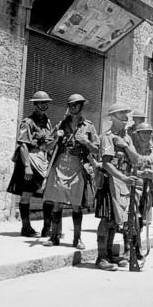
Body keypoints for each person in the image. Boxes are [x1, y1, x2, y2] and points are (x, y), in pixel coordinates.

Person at [43, 94, 99, 249]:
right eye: (71, 105)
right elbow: (46, 147)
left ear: (81, 106)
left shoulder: (89, 126)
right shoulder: (61, 124)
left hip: (77, 165)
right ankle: (54, 236)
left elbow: (97, 149)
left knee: (76, 205)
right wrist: (56, 138)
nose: (73, 108)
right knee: (57, 203)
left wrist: (86, 141)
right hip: (60, 163)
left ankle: (77, 239)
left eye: (76, 105)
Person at [94, 103, 141, 271]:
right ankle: (101, 257)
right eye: (121, 114)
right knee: (106, 219)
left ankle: (108, 253)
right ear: (112, 117)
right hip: (109, 182)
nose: (125, 117)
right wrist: (124, 177)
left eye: (126, 114)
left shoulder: (126, 137)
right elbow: (106, 164)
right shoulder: (107, 136)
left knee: (115, 220)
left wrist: (125, 146)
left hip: (123, 183)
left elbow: (136, 160)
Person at [7, 91, 56, 238]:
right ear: (35, 104)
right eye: (41, 102)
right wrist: (27, 166)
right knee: (26, 194)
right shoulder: (27, 122)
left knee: (48, 194)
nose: (44, 105)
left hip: (42, 161)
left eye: (46, 102)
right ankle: (26, 227)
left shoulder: (47, 121)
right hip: (29, 160)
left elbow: (48, 142)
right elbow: (23, 145)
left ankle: (47, 228)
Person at [130, 122, 153, 259]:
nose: (146, 135)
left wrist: (152, 174)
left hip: (147, 189)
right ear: (137, 134)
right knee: (133, 219)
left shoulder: (152, 153)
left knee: (142, 220)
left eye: (148, 133)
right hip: (133, 188)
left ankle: (137, 246)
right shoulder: (131, 150)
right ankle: (130, 248)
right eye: (143, 132)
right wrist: (139, 173)